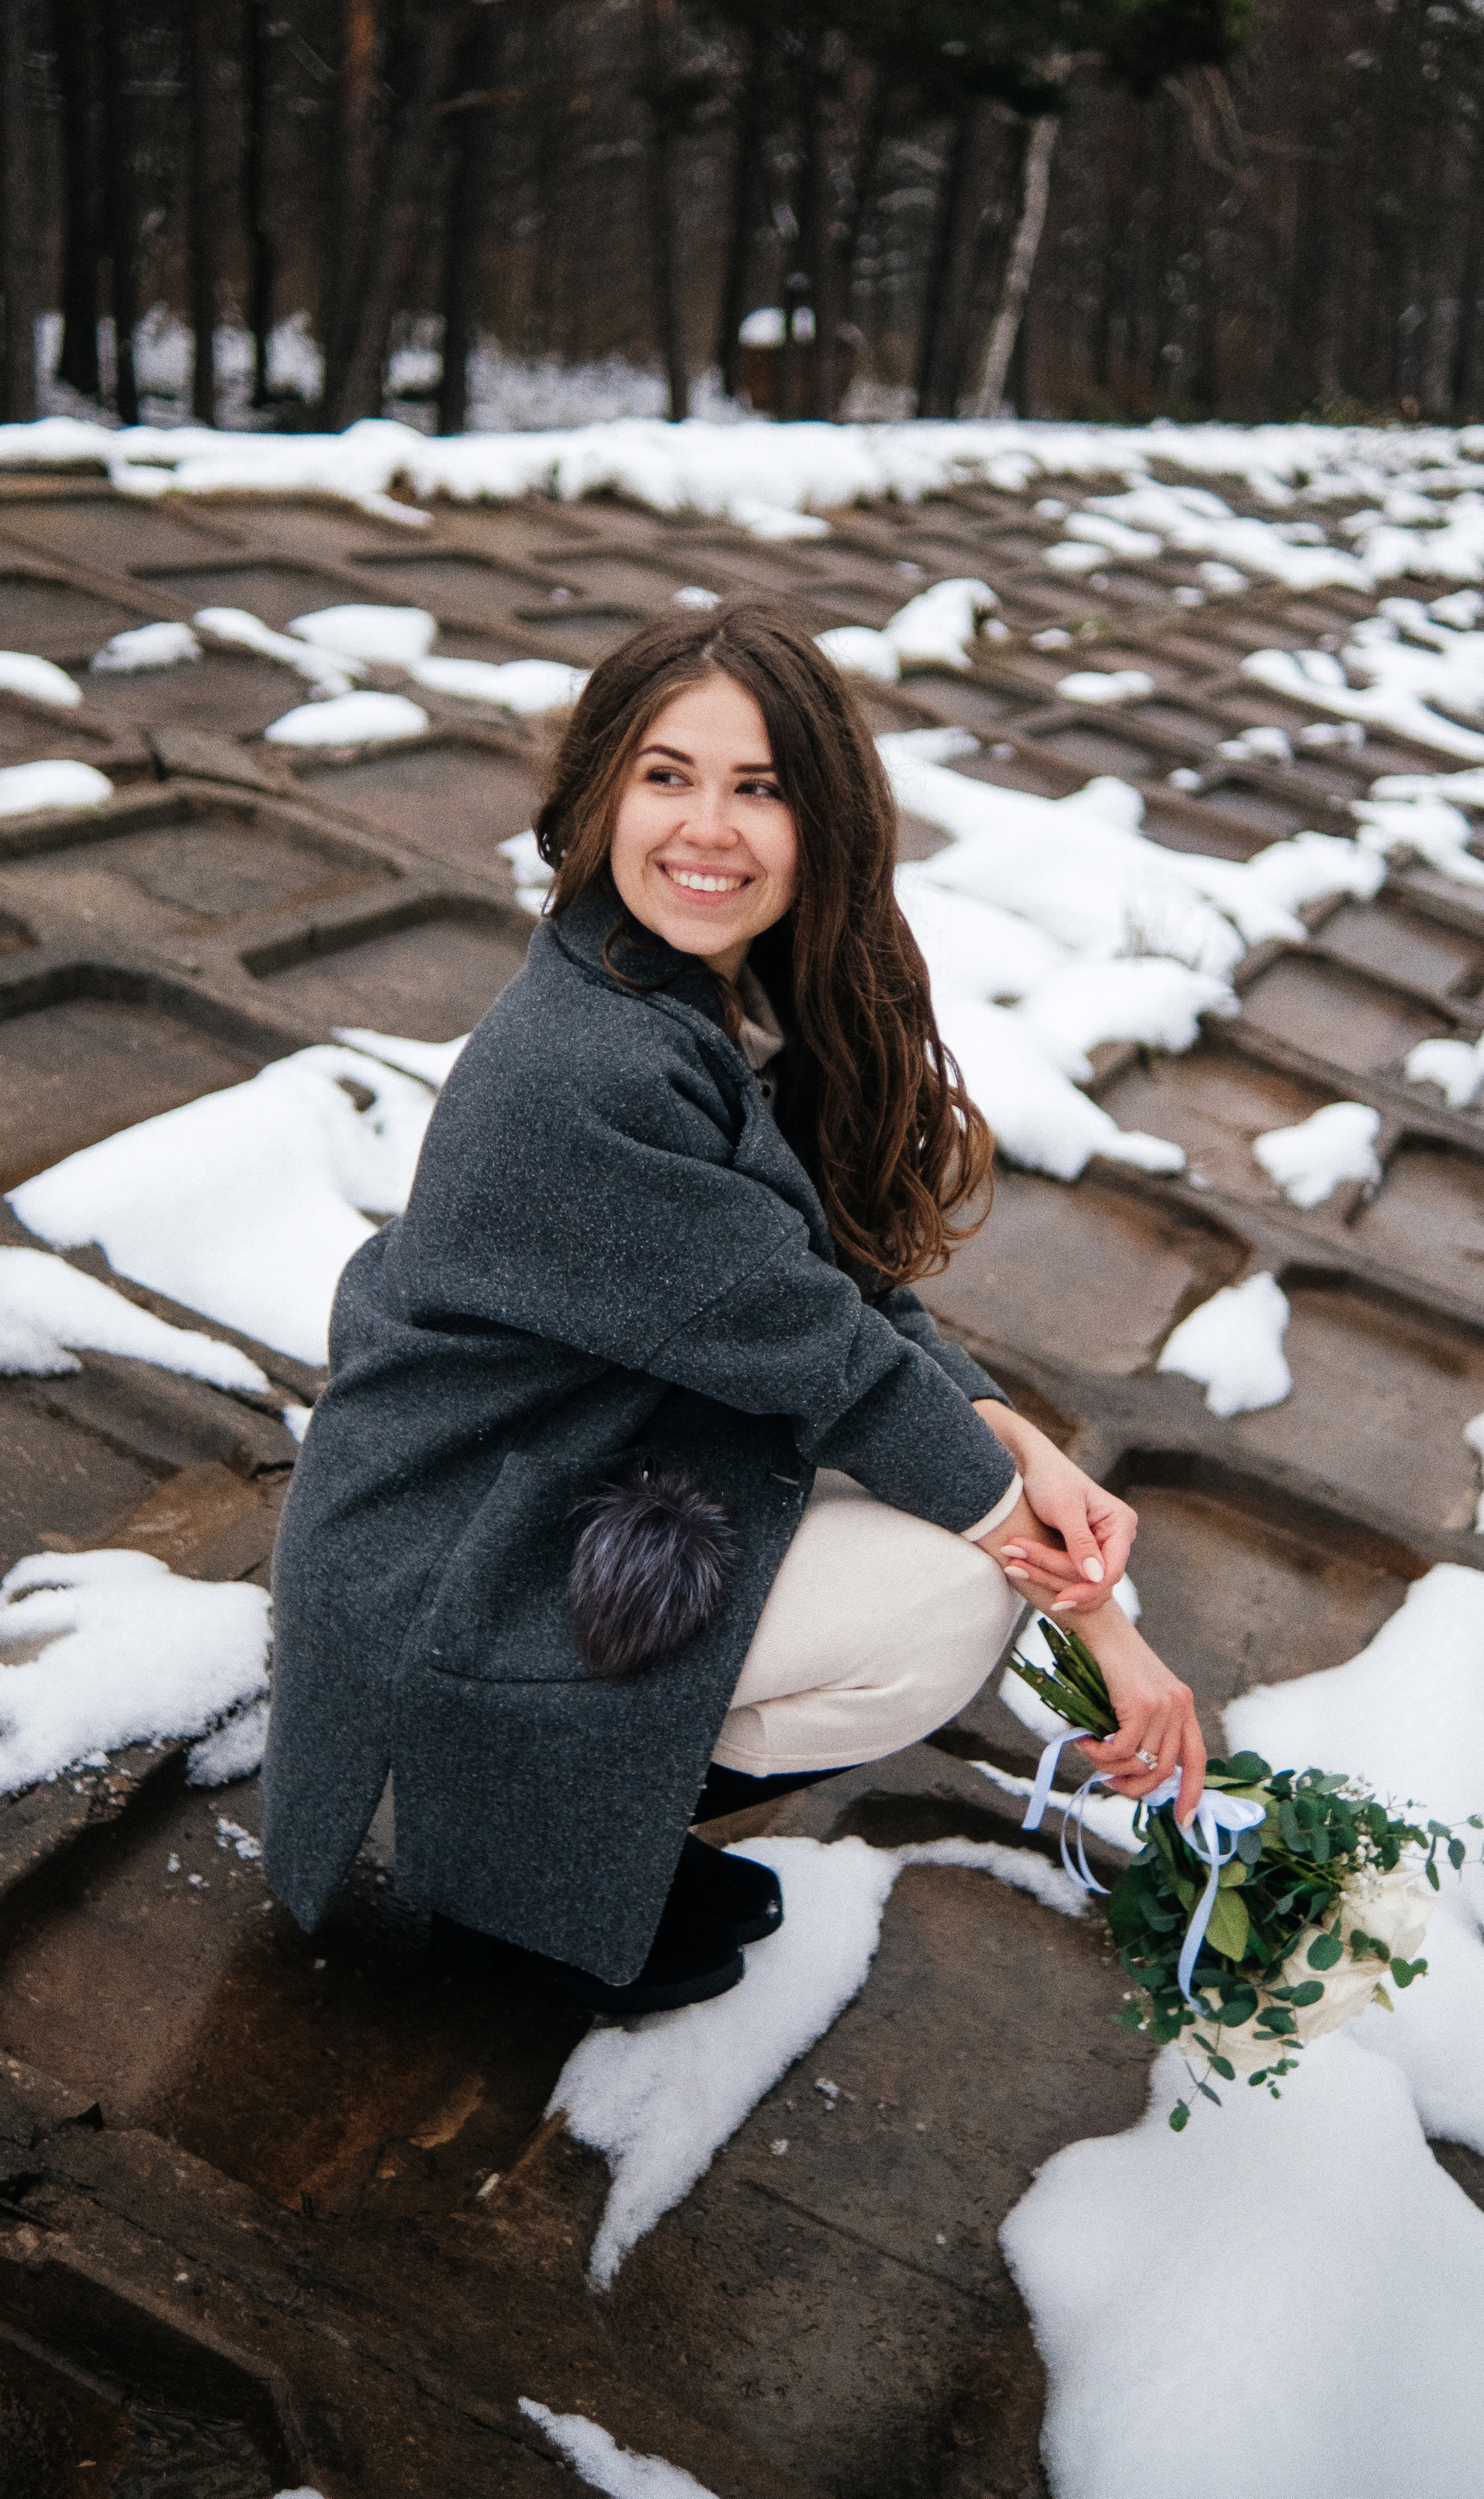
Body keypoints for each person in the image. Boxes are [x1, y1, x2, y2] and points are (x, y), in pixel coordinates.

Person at [263, 598, 1206, 2012]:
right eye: (667, 776)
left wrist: (1022, 1437)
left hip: (552, 1479)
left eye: (758, 789)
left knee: (945, 1521)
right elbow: (834, 1362)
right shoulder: (584, 1068)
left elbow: (836, 1290)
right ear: (597, 797)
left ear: (820, 822)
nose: (709, 829)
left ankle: (588, 1821)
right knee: (951, 1593)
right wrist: (1107, 1636)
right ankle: (518, 1854)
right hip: (454, 1547)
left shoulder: (684, 987)